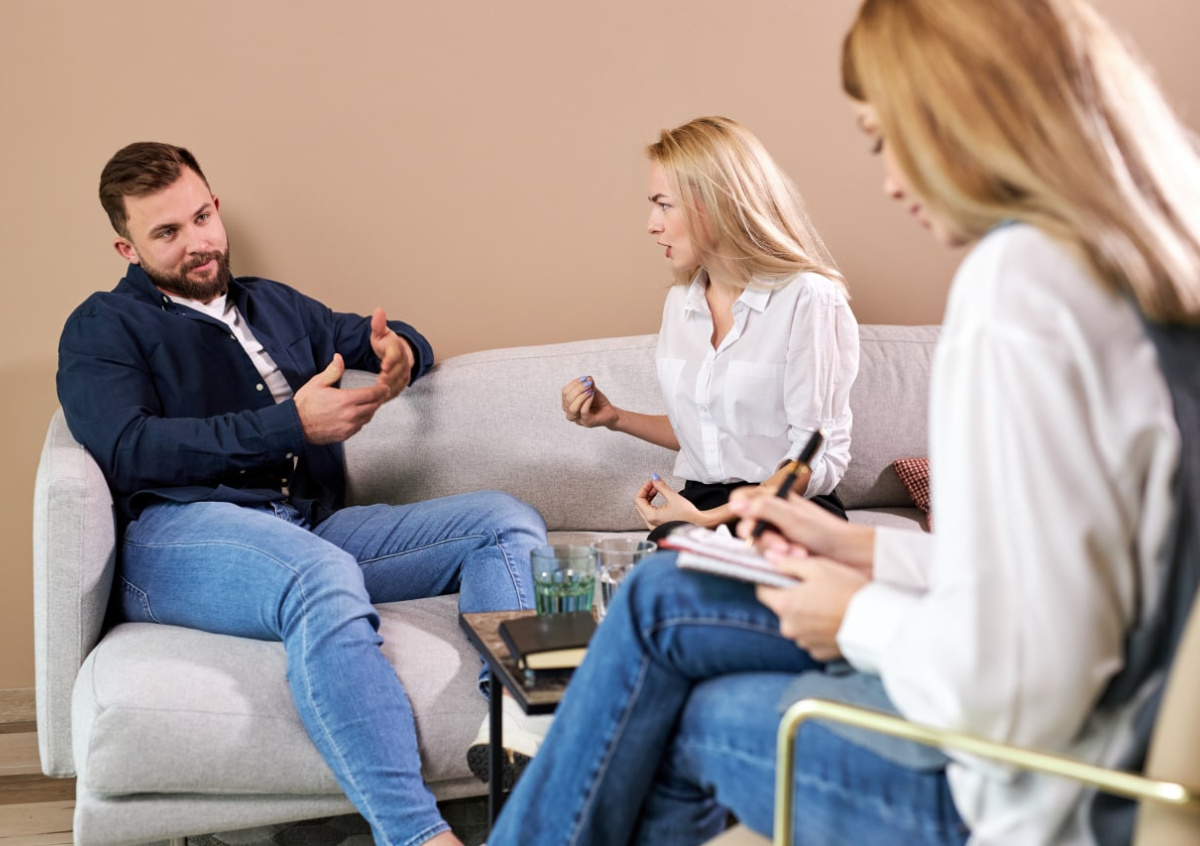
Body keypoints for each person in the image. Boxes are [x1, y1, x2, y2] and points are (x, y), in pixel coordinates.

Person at [489, 0, 1200, 843]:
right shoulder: (1142, 269)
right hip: (1075, 742)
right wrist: (868, 551)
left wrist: (858, 615)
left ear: (961, 113)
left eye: (882, 138)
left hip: (1027, 794)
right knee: (662, 610)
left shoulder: (1021, 291)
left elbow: (1024, 682)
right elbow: (1047, 577)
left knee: (672, 657)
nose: (892, 180)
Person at [56, 142, 549, 846]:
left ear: (216, 207)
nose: (197, 242)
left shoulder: (274, 305)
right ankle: (417, 835)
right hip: (180, 533)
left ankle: (521, 730)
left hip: (306, 524)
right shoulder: (102, 326)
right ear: (126, 248)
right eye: (167, 232)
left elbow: (375, 338)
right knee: (320, 575)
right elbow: (127, 446)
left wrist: (403, 352)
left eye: (201, 217)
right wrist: (291, 425)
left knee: (503, 520)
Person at [561, 116, 858, 541]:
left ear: (715, 203)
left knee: (702, 577)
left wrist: (708, 521)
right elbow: (709, 431)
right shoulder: (681, 303)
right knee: (648, 579)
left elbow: (812, 457)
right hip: (699, 501)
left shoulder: (808, 297)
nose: (652, 224)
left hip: (786, 512)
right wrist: (615, 418)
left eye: (664, 205)